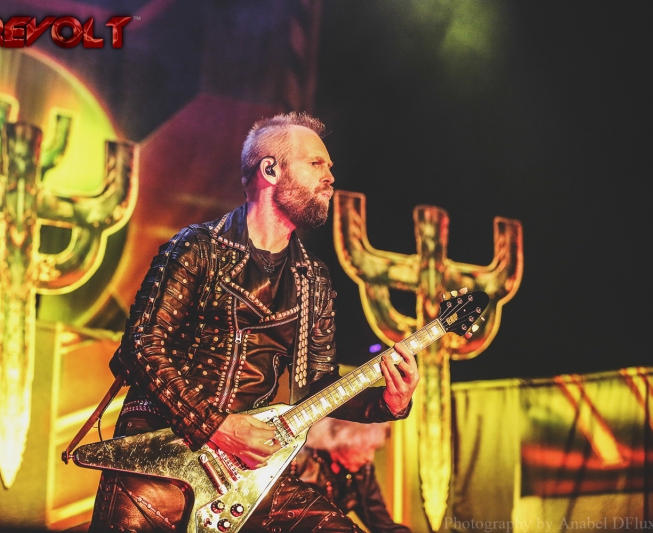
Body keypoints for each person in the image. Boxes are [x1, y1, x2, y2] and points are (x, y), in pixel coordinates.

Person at [89, 112, 420, 533]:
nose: (330, 177)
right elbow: (140, 347)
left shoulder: (313, 279)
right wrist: (217, 426)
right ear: (270, 170)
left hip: (246, 474)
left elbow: (317, 386)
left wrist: (387, 404)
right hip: (157, 460)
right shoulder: (197, 248)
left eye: (330, 167)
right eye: (316, 163)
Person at [290, 418, 413, 533]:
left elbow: (384, 525)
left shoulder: (363, 472)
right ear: (343, 440)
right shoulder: (299, 461)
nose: (370, 458)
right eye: (366, 448)